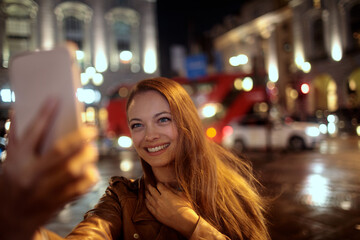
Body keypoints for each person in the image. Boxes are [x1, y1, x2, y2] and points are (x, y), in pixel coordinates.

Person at [0, 77, 269, 240]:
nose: (149, 135)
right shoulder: (122, 198)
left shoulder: (233, 191)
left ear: (186, 122)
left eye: (163, 120)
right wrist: (19, 224)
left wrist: (190, 224)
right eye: (138, 125)